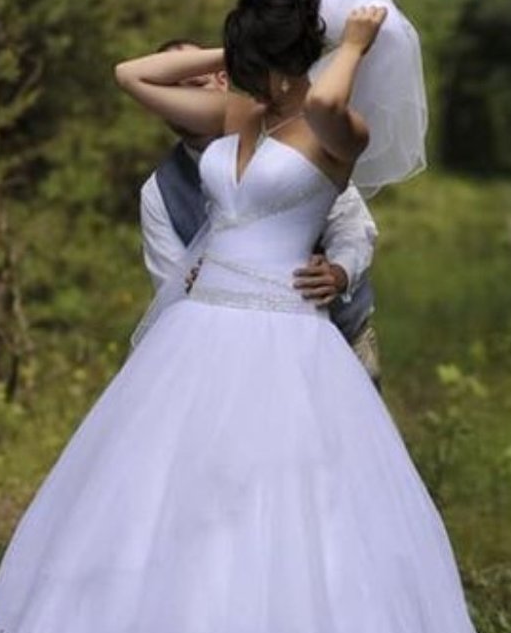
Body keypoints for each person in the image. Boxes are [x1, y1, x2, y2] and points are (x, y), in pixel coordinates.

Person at [0, 0, 511, 633]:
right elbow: (132, 75)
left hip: (286, 341)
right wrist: (224, 58)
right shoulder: (242, 117)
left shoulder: (336, 130)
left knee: (275, 505)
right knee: (173, 500)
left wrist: (353, 41)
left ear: (290, 68)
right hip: (195, 337)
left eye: (256, 67)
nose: (240, 80)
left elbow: (332, 95)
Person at [140, 39, 382, 386]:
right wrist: (198, 285)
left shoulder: (291, 134)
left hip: (336, 335)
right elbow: (168, 283)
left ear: (222, 80)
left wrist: (339, 272)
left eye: (194, 85)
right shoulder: (160, 191)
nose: (183, 100)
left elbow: (351, 225)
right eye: (171, 92)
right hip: (228, 355)